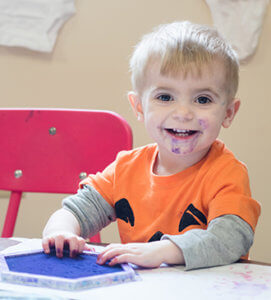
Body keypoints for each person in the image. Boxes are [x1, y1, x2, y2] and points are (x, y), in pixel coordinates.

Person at [42, 21, 261, 270]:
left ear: (229, 113)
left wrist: (164, 251)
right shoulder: (125, 169)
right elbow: (77, 211)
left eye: (202, 99)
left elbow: (231, 239)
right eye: (165, 97)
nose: (183, 112)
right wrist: (61, 231)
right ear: (139, 107)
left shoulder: (226, 173)